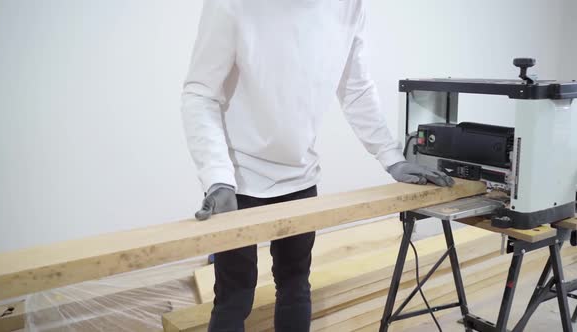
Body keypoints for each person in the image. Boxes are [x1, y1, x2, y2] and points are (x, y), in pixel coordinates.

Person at [181, 1, 454, 331]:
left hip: (300, 176)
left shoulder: (348, 6)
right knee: (235, 295)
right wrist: (217, 177)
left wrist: (392, 157)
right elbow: (200, 93)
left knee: (295, 286)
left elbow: (355, 90)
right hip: (238, 180)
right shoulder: (232, 5)